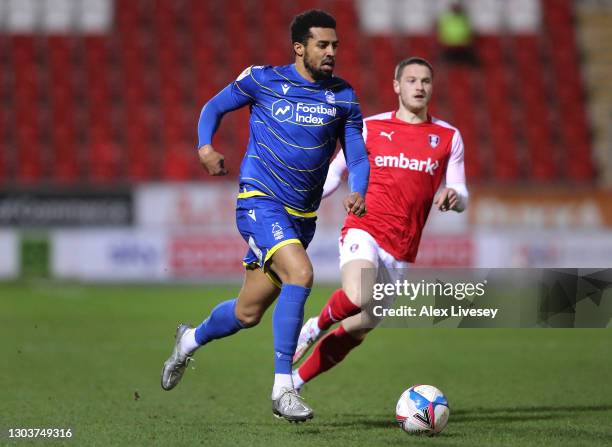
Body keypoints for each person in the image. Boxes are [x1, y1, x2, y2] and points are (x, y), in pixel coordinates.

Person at [160, 10, 369, 423]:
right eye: (322, 45)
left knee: (247, 313)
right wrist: (205, 146)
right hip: (259, 200)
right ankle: (283, 389)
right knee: (302, 275)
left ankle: (188, 341)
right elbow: (213, 107)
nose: (331, 53)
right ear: (299, 47)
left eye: (335, 46)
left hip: (302, 217)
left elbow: (357, 154)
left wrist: (358, 190)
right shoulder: (263, 79)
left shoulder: (343, 96)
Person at [291, 57, 468, 392]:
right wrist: (310, 200)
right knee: (358, 294)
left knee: (363, 324)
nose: (419, 86)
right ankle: (314, 326)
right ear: (396, 86)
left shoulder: (448, 137)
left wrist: (455, 198)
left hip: (401, 248)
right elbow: (335, 171)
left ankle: (294, 384)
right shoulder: (369, 128)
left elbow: (461, 190)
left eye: (426, 81)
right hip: (365, 228)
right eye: (412, 80)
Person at [437, 1, 477, 66]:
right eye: (454, 7)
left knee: (473, 61)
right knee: (441, 60)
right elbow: (441, 34)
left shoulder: (464, 19)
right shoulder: (446, 19)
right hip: (449, 47)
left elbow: (469, 33)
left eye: (457, 7)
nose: (455, 9)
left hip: (463, 47)